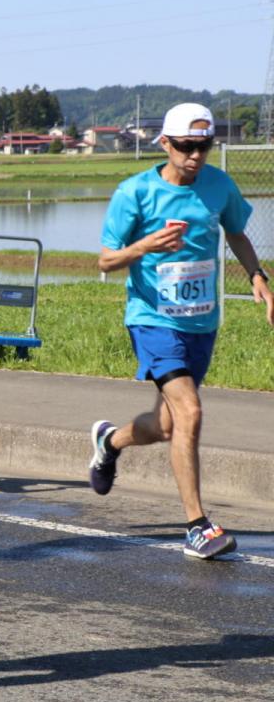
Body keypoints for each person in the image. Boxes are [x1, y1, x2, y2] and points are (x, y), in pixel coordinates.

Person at [90, 102, 272, 560]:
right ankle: (197, 526)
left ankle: (109, 442)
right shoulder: (134, 193)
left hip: (201, 323)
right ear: (165, 144)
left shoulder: (218, 185)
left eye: (204, 146)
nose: (196, 156)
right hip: (153, 320)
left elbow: (236, 233)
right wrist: (145, 245)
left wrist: (258, 277)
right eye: (187, 146)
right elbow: (105, 260)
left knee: (169, 425)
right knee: (190, 412)